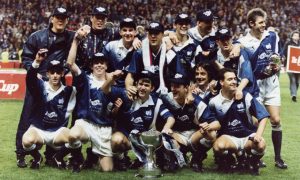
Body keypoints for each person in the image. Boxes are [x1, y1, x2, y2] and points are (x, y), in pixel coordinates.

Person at [16, 7, 74, 168]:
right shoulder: (37, 36)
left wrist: (64, 72)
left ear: (67, 20)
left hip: (57, 83)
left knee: (59, 117)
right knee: (27, 116)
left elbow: (75, 55)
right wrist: (34, 73)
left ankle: (52, 155)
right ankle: (21, 153)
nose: (60, 20)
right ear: (52, 18)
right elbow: (26, 57)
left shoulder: (70, 37)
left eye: (64, 17)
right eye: (58, 17)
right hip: (38, 82)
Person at [238, 8, 287, 169]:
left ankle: (278, 158)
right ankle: (255, 156)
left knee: (276, 120)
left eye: (264, 22)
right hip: (256, 86)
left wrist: (277, 62)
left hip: (272, 83)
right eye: (260, 23)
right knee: (255, 122)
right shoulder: (243, 42)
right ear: (251, 24)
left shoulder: (272, 36)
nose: (263, 25)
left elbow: (277, 55)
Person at [103, 70, 175, 169]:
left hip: (145, 139)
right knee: (116, 140)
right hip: (128, 138)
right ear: (136, 85)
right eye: (140, 84)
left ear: (152, 88)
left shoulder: (156, 101)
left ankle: (154, 159)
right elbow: (104, 90)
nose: (142, 88)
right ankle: (121, 159)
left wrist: (166, 127)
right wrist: (111, 79)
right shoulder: (126, 94)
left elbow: (170, 117)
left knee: (166, 140)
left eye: (146, 85)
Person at [210, 68, 269, 175]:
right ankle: (230, 159)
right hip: (230, 138)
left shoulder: (246, 96)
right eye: (229, 79)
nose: (234, 82)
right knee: (218, 146)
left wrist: (258, 135)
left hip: (248, 136)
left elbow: (264, 116)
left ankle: (253, 163)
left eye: (235, 79)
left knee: (261, 145)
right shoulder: (214, 102)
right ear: (221, 82)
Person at [22, 55, 77, 169]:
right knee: (26, 141)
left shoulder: (69, 91)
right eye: (52, 72)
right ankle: (37, 157)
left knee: (75, 139)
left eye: (58, 72)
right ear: (47, 74)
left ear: (62, 74)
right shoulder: (40, 86)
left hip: (57, 132)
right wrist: (36, 61)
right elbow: (30, 79)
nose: (55, 75)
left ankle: (58, 157)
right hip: (38, 129)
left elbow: (83, 85)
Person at [159, 73, 219, 172]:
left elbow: (217, 124)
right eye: (172, 86)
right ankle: (172, 159)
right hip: (176, 134)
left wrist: (207, 126)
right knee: (164, 135)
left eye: (177, 86)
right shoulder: (166, 99)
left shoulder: (197, 101)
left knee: (212, 134)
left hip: (193, 135)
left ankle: (197, 158)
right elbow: (168, 117)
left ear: (186, 88)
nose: (173, 89)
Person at [125, 21, 167, 99]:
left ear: (162, 35)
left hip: (163, 92)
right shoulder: (139, 52)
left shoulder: (168, 51)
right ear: (147, 34)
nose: (153, 36)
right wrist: (129, 87)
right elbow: (130, 75)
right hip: (144, 92)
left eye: (156, 33)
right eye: (150, 33)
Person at [215, 27, 259, 99]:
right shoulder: (216, 55)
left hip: (248, 92)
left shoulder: (241, 53)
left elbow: (247, 76)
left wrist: (239, 89)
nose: (225, 42)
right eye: (222, 40)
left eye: (227, 39)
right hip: (229, 94)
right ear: (217, 42)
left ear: (231, 39)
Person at [103, 17, 137, 87]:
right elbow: (102, 66)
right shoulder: (110, 46)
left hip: (132, 87)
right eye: (124, 30)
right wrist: (108, 76)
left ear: (135, 32)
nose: (127, 33)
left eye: (130, 30)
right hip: (113, 85)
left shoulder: (140, 49)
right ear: (120, 32)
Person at [282, 30, 300, 102]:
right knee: (292, 80)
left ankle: (294, 92)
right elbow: (283, 53)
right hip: (289, 65)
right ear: (292, 36)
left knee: (297, 82)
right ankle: (293, 95)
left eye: (297, 36)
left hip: (298, 67)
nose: (296, 37)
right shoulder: (288, 43)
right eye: (295, 35)